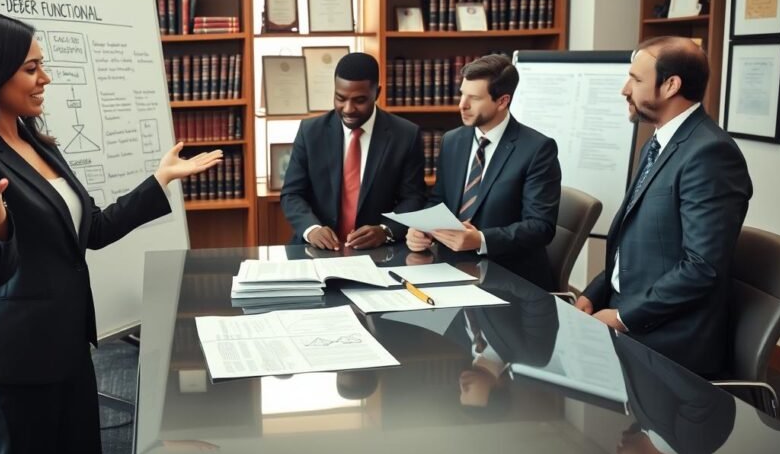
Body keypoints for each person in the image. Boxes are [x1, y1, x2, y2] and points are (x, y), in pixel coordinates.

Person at [0, 12, 221, 454]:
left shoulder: (37, 142)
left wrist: (160, 179)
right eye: (31, 69)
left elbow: (91, 230)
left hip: (66, 346)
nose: (46, 79)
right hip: (11, 360)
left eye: (42, 65)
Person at [576, 36, 752, 378]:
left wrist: (623, 317)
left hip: (668, 341)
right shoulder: (658, 143)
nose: (625, 89)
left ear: (671, 85)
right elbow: (635, 242)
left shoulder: (710, 154)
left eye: (636, 79)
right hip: (624, 313)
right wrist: (594, 294)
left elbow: (702, 268)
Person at [407, 54, 561, 290]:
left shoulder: (537, 149)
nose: (462, 105)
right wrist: (423, 228)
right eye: (462, 94)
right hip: (451, 271)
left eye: (474, 98)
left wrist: (480, 240)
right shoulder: (452, 140)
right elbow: (440, 201)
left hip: (511, 280)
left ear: (502, 101)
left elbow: (540, 227)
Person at [281, 52, 427, 250]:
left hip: (379, 251)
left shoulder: (406, 135)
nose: (348, 109)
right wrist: (311, 229)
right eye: (340, 98)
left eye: (359, 100)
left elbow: (414, 198)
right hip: (317, 249)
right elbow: (292, 194)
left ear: (377, 93)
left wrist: (385, 231)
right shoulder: (311, 132)